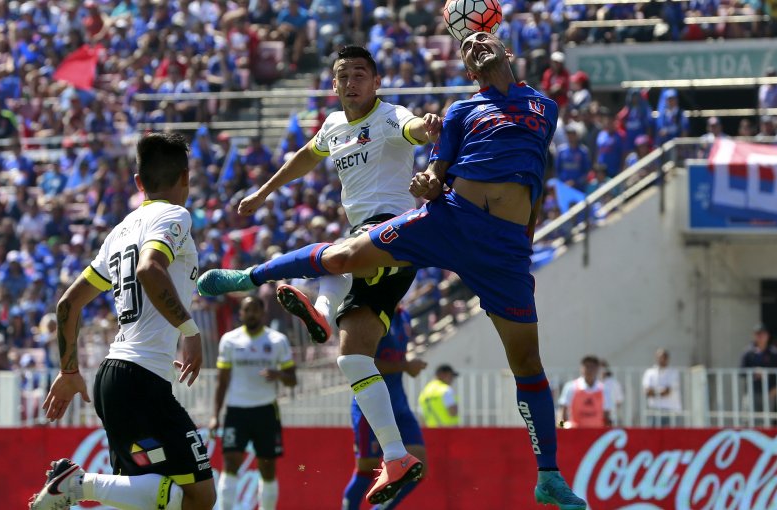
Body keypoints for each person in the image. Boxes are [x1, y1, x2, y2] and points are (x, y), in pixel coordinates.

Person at [198, 32, 586, 509]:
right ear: (467, 71)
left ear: (509, 53)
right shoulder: (463, 112)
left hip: (501, 250)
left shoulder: (542, 107)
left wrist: (524, 234)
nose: (476, 45)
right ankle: (252, 279)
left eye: (486, 39)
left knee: (527, 364)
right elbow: (435, 167)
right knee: (344, 281)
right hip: (449, 219)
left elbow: (533, 173)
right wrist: (429, 179)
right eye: (468, 45)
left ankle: (548, 476)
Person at [233, 45, 442, 505]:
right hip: (368, 246)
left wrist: (425, 128)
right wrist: (265, 191)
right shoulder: (332, 126)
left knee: (337, 255)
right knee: (351, 359)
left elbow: (411, 128)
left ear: (376, 82)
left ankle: (310, 303)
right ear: (333, 85)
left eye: (360, 74)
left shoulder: (389, 116)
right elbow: (305, 158)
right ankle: (396, 457)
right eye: (343, 75)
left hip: (394, 232)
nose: (351, 82)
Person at [29, 133, 216, 510]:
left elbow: (67, 304)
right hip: (140, 382)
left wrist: (68, 372)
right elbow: (150, 269)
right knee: (199, 497)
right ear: (186, 178)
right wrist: (189, 332)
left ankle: (80, 486)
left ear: (138, 183)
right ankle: (79, 484)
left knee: (151, 497)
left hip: (117, 377)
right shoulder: (175, 215)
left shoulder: (120, 230)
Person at [210, 296, 297, 510]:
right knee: (230, 463)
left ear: (262, 312)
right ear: (240, 313)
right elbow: (222, 382)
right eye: (246, 310)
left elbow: (292, 379)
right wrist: (215, 415)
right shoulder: (229, 340)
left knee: (267, 469)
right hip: (236, 411)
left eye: (255, 310)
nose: (251, 314)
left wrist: (278, 374)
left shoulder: (277, 340)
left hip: (266, 411)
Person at [343, 306, 428, 510]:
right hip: (370, 408)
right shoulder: (372, 314)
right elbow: (364, 363)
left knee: (417, 469)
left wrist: (406, 364)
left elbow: (395, 356)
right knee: (365, 471)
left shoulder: (404, 315)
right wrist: (405, 366)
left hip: (399, 404)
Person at [740, 323, 777, 413]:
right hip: (752, 392)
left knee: (766, 421)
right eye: (758, 334)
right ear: (754, 336)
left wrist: (776, 388)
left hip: (768, 393)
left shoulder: (774, 353)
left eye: (763, 334)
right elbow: (741, 372)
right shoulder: (748, 352)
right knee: (749, 421)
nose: (760, 337)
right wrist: (754, 372)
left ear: (768, 336)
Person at [558, 355, 611, 428]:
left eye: (592, 367)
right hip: (575, 433)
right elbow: (562, 412)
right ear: (581, 368)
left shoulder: (604, 389)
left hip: (597, 435)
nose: (589, 370)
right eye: (587, 366)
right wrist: (561, 427)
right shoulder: (571, 387)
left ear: (597, 369)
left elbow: (607, 416)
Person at [641, 348, 682, 427]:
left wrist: (654, 391)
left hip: (671, 410)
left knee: (672, 437)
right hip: (654, 410)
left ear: (667, 359)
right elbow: (647, 392)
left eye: (663, 357)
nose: (661, 359)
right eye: (659, 357)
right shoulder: (649, 372)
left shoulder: (673, 372)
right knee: (653, 436)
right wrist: (661, 391)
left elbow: (667, 392)